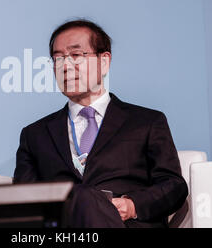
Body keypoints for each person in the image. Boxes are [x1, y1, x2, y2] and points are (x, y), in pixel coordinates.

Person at [13, 19, 188, 228]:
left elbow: (173, 186)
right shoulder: (35, 135)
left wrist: (131, 205)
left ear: (104, 62)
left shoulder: (146, 122)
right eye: (58, 58)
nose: (66, 67)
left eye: (76, 55)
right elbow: (23, 198)